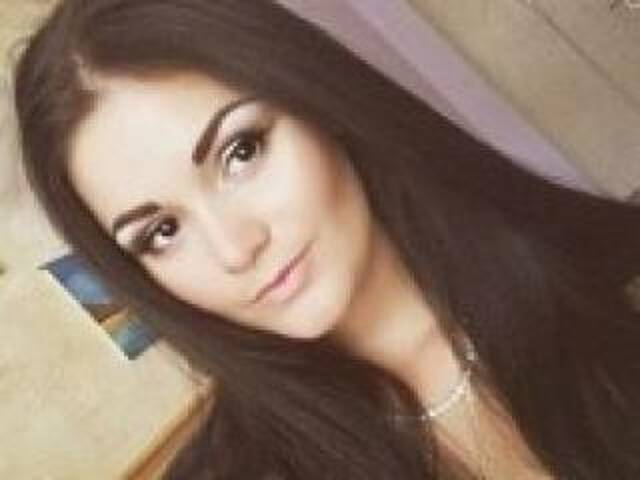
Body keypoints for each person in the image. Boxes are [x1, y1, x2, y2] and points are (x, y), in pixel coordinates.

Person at [12, 0, 640, 478]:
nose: (236, 248)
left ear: (319, 102)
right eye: (162, 232)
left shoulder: (603, 276)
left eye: (241, 151)